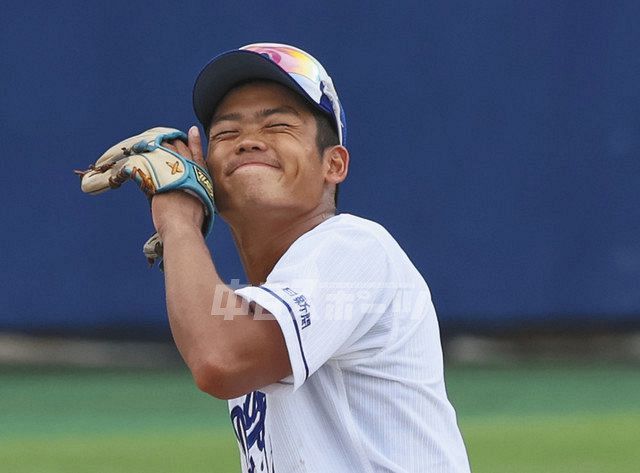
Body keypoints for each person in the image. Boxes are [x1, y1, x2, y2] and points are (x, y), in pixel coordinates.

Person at [153, 43, 470, 473]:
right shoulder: (252, 302)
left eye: (278, 126)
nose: (248, 141)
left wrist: (179, 225)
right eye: (226, 133)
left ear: (334, 164)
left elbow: (218, 361)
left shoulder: (354, 247)